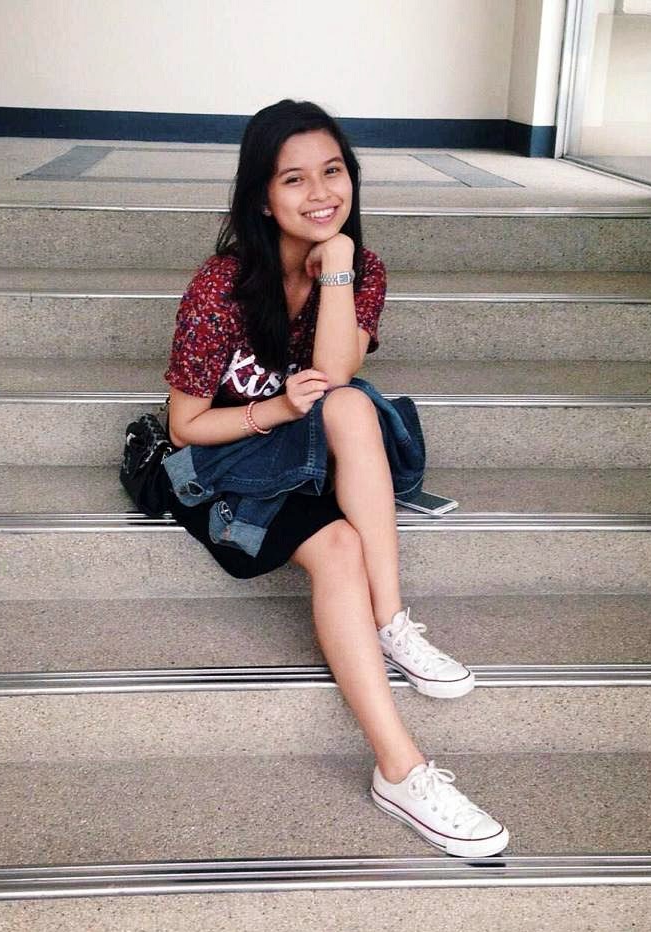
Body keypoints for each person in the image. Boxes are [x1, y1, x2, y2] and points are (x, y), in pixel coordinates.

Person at [163, 98, 509, 858]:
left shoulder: (361, 268)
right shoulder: (220, 286)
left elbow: (336, 374)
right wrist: (276, 409)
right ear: (263, 197)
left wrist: (340, 265)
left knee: (349, 414)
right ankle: (402, 766)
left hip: (309, 441)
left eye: (333, 171)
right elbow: (184, 426)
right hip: (230, 458)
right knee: (341, 513)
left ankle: (390, 629)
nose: (321, 193)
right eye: (294, 179)